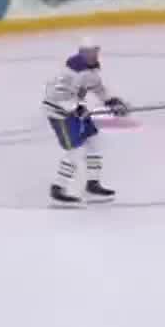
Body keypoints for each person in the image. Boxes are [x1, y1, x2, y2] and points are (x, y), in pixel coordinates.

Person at [43, 39, 130, 206]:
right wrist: (75, 108)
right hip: (59, 113)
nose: (93, 55)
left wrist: (113, 102)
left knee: (94, 141)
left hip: (75, 111)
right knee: (76, 150)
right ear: (82, 53)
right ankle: (58, 188)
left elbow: (99, 89)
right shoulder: (67, 74)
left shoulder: (91, 72)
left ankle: (92, 184)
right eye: (89, 52)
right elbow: (55, 98)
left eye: (95, 51)